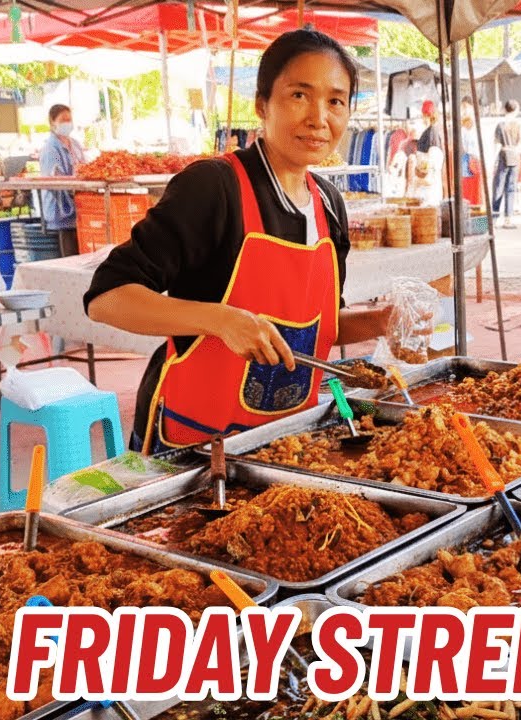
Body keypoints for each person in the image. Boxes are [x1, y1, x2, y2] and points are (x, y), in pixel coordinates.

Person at [84, 29, 392, 454]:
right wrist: (222, 320)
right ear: (262, 105)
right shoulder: (214, 187)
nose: (319, 117)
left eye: (336, 101)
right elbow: (107, 298)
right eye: (300, 95)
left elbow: (317, 325)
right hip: (192, 441)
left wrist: (379, 322)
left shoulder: (329, 205)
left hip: (284, 439)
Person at [39, 104, 86, 256]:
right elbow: (55, 180)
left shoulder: (75, 144)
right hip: (61, 213)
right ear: (53, 122)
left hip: (79, 210)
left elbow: (84, 168)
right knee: (69, 256)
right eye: (63, 119)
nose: (67, 123)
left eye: (69, 119)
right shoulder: (50, 148)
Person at [492, 100, 521, 229]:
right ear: (516, 110)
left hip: (503, 156)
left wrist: (493, 161)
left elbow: (496, 144)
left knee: (498, 187)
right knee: (510, 188)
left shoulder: (500, 125)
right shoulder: (518, 125)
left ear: (505, 109)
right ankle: (508, 219)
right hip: (514, 156)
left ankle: (493, 219)